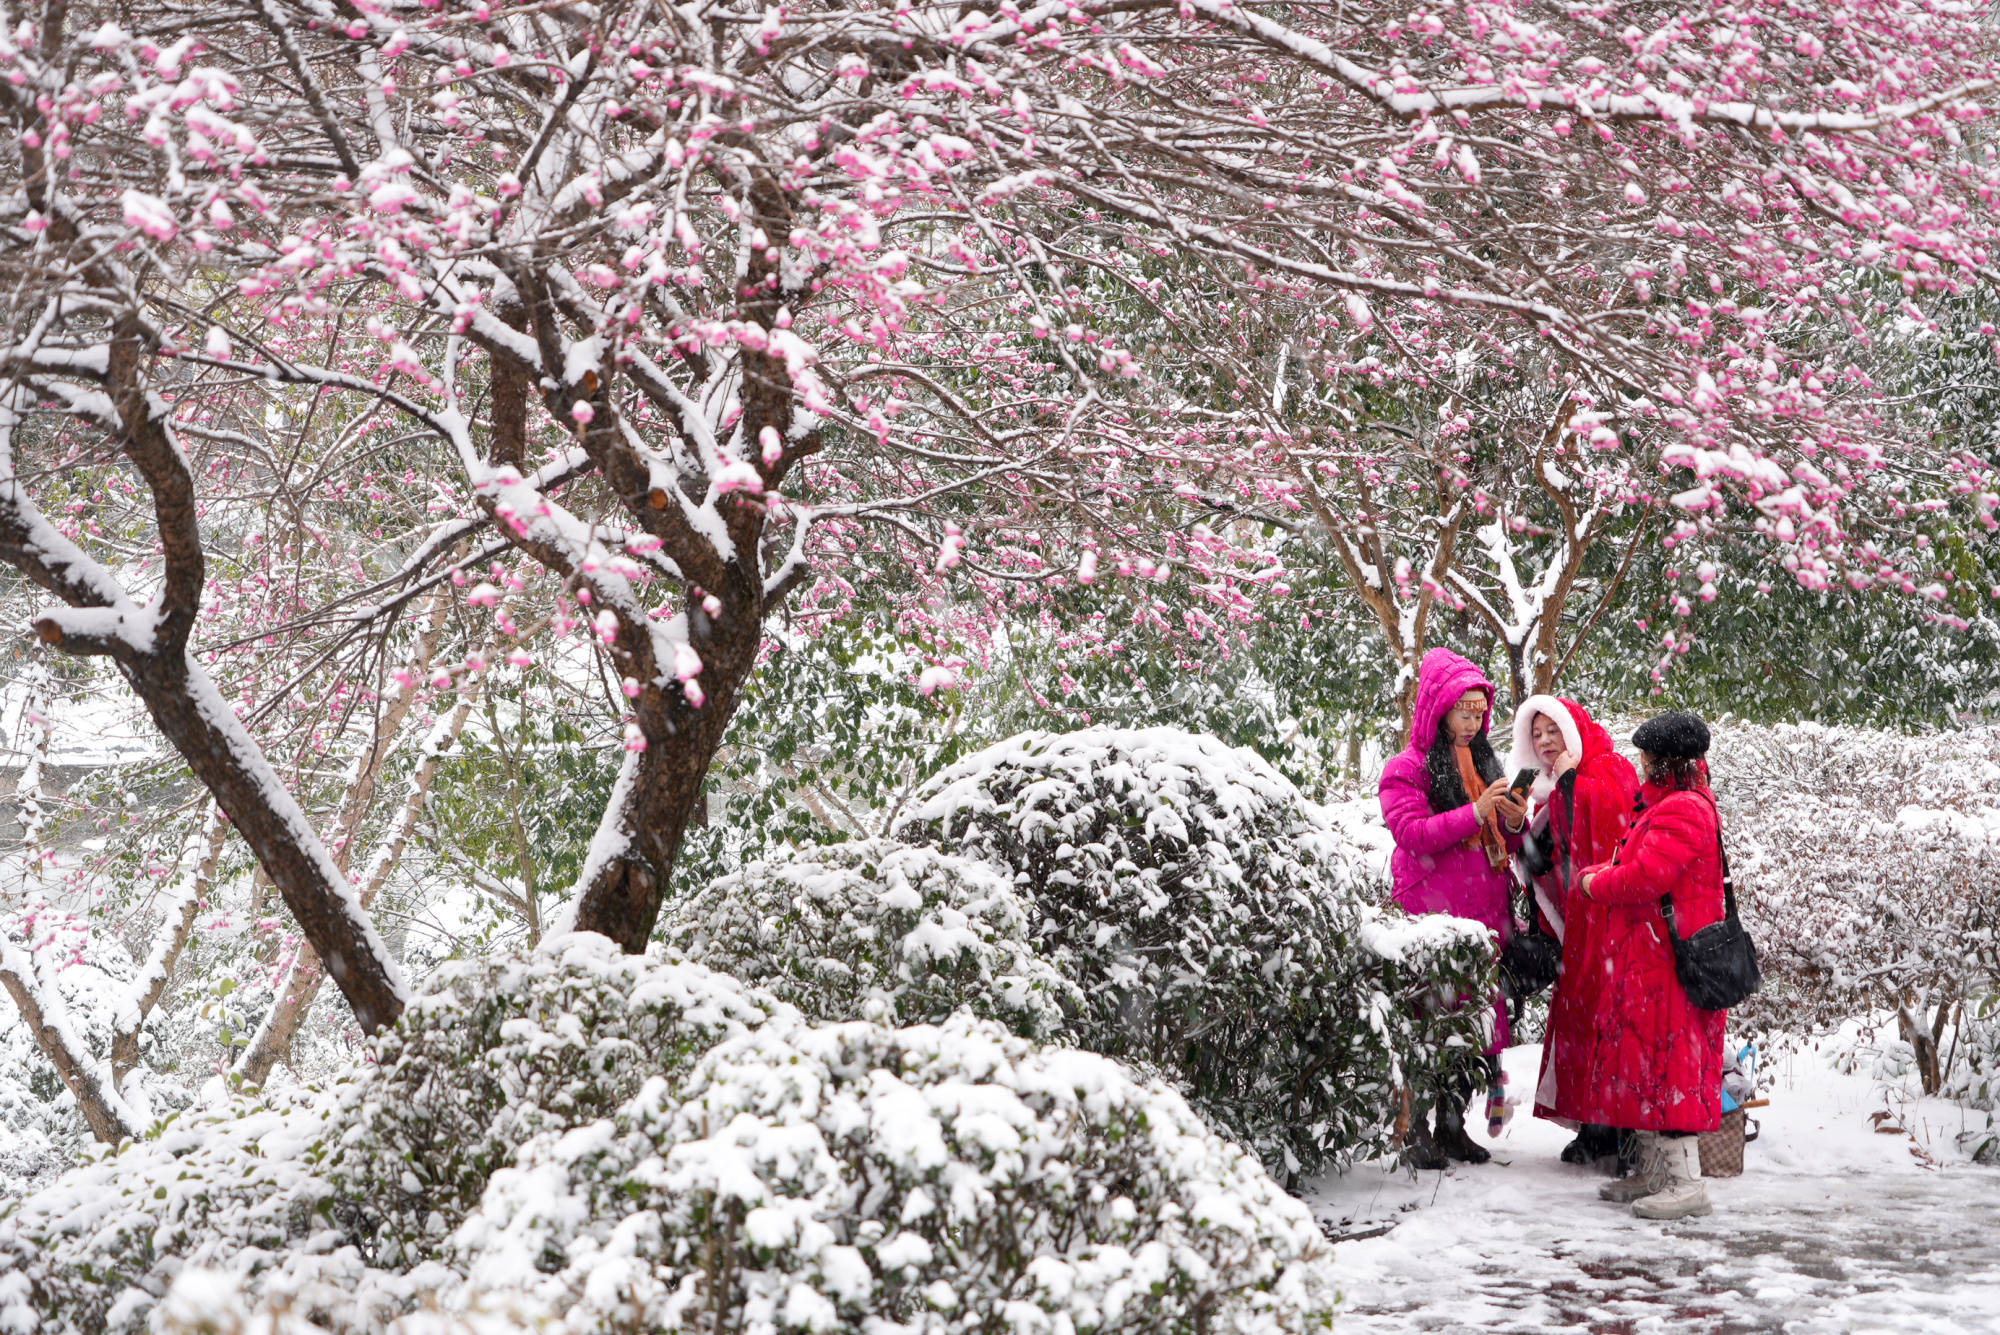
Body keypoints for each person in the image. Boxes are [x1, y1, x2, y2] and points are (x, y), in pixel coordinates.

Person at [1575, 710, 1729, 1220]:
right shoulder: (1662, 806)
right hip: (1646, 960)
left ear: (1664, 762)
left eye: (1645, 756)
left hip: (1669, 964)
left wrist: (1594, 884)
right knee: (1643, 1068)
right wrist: (1604, 871)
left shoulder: (1684, 810)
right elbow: (1630, 860)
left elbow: (1645, 877)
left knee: (1670, 1071)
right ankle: (1653, 1174)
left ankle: (1688, 1185)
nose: (1639, 764)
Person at [1379, 648, 1526, 1168]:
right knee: (1432, 1022)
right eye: (1462, 709)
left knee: (1475, 1026)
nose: (1472, 721)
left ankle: (1452, 1125)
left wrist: (1512, 818)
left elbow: (1503, 838)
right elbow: (1411, 833)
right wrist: (1474, 812)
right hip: (1433, 916)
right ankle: (1416, 1130)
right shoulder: (1406, 768)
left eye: (1479, 711)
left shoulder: (1485, 762)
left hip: (1484, 915)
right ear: (1436, 708)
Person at [1508, 695, 1641, 1168]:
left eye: (1553, 731)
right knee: (1582, 1024)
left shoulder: (1609, 766)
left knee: (1614, 1025)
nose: (1545, 742)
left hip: (1614, 924)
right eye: (1536, 734)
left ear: (1574, 728)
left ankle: (1622, 1126)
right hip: (1579, 929)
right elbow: (1548, 853)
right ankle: (1594, 1124)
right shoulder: (1547, 786)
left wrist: (1570, 781)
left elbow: (1613, 825)